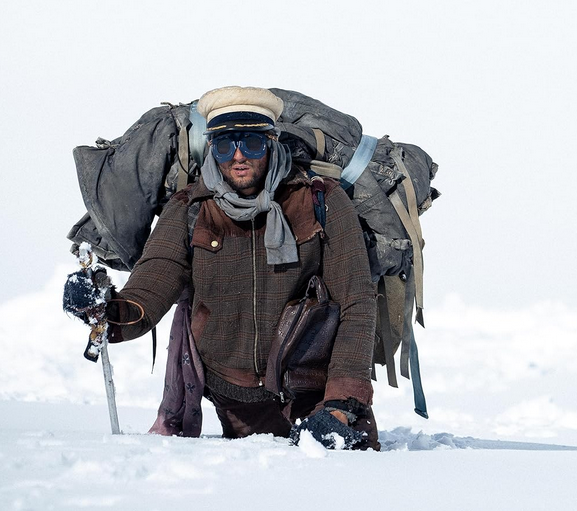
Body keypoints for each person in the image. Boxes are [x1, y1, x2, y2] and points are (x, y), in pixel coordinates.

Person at [63, 86, 379, 449]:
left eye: (253, 144)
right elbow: (149, 290)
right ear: (212, 146)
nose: (239, 156)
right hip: (237, 406)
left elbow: (357, 302)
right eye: (226, 144)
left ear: (272, 142)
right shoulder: (188, 209)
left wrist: (341, 404)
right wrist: (101, 309)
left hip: (319, 396)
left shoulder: (322, 200)